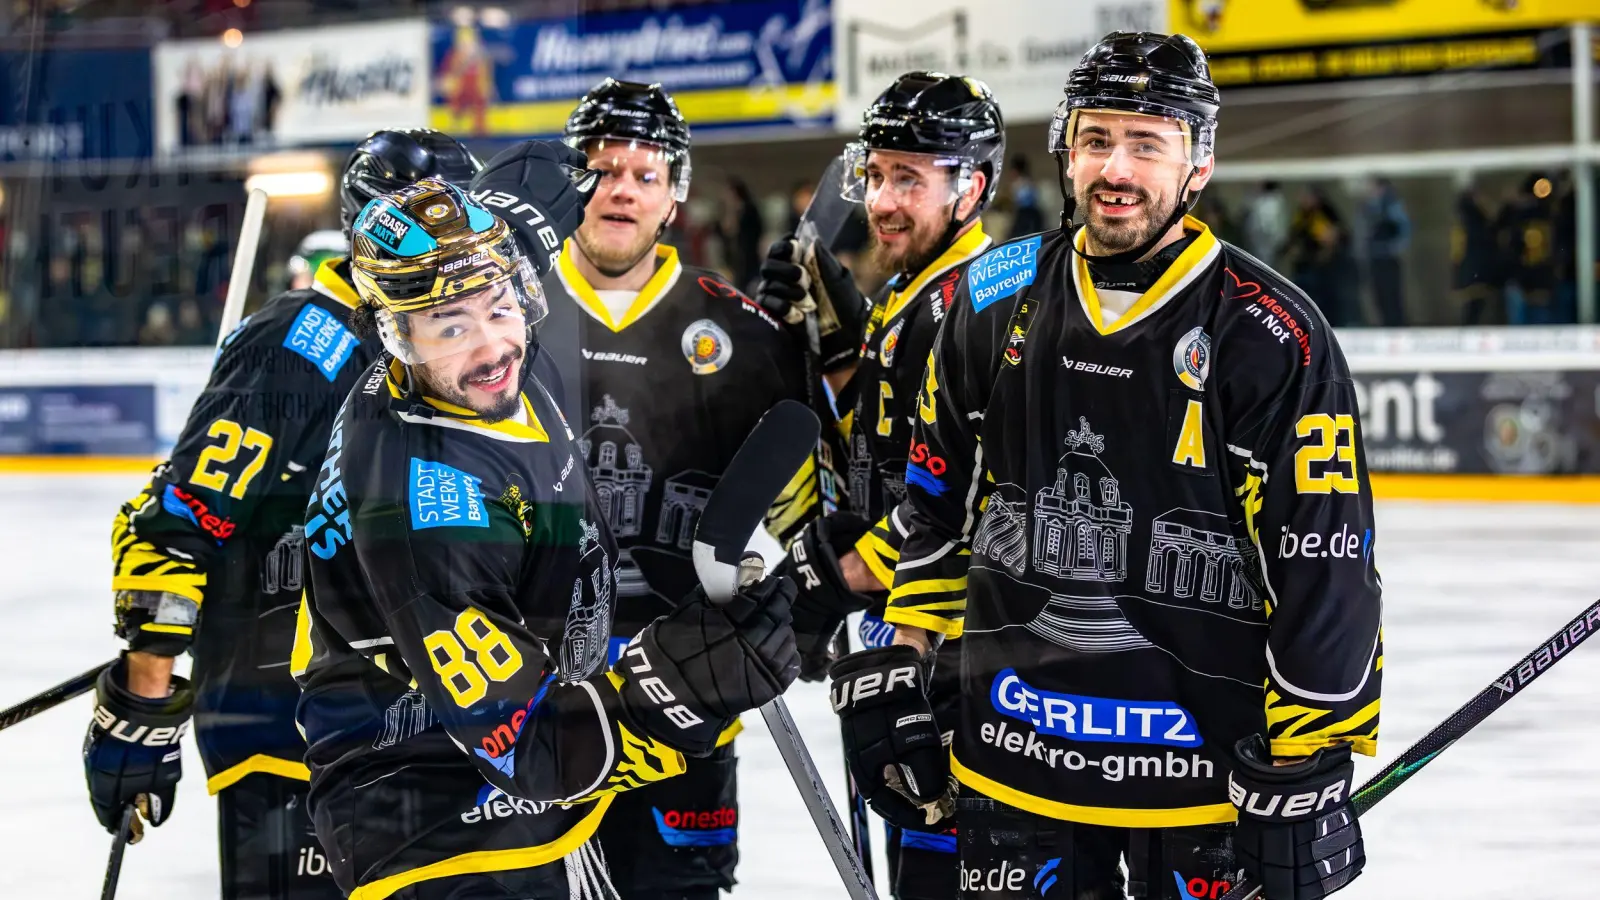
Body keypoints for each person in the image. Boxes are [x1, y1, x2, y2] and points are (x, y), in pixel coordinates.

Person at [829, 32, 1382, 900]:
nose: (1115, 169)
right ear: (1066, 149)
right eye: (1096, 139)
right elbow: (938, 510)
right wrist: (906, 656)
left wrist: (1308, 756)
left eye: (1146, 143)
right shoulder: (991, 296)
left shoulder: (1272, 332)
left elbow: (1323, 561)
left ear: (1199, 162)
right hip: (1013, 755)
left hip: (1202, 778)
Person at [291, 159, 801, 898]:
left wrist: (550, 181)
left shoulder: (484, 353)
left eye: (501, 307)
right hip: (438, 831)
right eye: (449, 327)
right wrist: (683, 680)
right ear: (392, 335)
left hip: (530, 817)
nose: (492, 348)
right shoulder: (428, 513)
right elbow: (529, 744)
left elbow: (520, 229)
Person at [86, 128, 484, 900]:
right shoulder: (299, 344)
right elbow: (181, 520)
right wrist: (144, 696)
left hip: (425, 731)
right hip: (288, 731)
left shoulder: (461, 346)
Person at [536, 77, 829, 900]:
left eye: (646, 173)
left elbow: (806, 497)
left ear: (675, 196)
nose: (622, 189)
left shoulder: (738, 330)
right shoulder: (504, 315)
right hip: (531, 693)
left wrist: (816, 349)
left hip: (687, 690)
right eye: (602, 169)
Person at [755, 70, 1006, 900]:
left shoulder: (982, 304)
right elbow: (885, 440)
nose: (884, 201)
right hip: (905, 646)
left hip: (964, 662)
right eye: (877, 175)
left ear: (972, 188)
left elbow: (963, 500)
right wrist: (824, 343)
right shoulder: (912, 294)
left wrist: (834, 575)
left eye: (911, 179)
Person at [1362, 177, 1410, 326]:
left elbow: (1404, 229)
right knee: (1379, 295)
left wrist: (1392, 247)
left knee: (1392, 295)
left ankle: (1396, 324)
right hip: (1375, 258)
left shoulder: (1393, 206)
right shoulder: (1369, 207)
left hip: (1388, 258)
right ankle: (1386, 323)